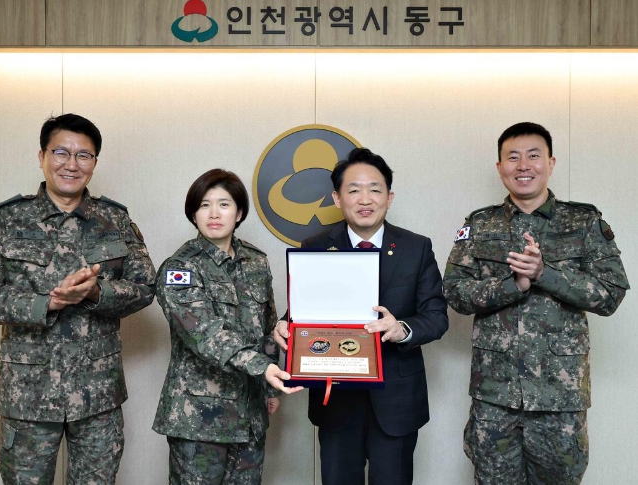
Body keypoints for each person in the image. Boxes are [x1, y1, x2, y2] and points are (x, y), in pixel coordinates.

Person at [0, 113, 156, 484]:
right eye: (61, 153)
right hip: (27, 395)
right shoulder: (6, 220)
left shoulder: (115, 220)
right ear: (42, 157)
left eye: (83, 155)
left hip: (98, 394)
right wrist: (47, 303)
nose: (72, 164)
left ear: (94, 163)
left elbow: (145, 287)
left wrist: (98, 292)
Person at [443, 122, 630, 484]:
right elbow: (454, 292)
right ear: (500, 167)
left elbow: (611, 294)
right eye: (513, 157)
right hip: (495, 396)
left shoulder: (583, 222)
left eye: (533, 156)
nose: (523, 166)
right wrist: (512, 285)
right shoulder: (479, 225)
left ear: (551, 163)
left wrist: (546, 274)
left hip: (559, 397)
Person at [274, 148, 449, 485]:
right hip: (336, 399)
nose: (365, 199)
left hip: (397, 400)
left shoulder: (416, 248)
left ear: (389, 197)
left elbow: (436, 316)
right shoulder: (315, 246)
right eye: (354, 190)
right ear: (337, 198)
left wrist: (402, 328)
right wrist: (286, 325)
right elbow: (301, 312)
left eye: (375, 189)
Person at [153, 168, 302, 485]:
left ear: (239, 213)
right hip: (199, 418)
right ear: (193, 214)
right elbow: (205, 335)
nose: (214, 214)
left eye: (224, 204)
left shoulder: (256, 261)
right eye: (204, 205)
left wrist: (269, 388)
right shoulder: (180, 268)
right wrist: (263, 369)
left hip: (250, 414)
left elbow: (268, 328)